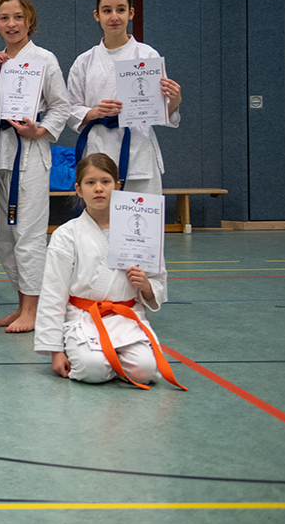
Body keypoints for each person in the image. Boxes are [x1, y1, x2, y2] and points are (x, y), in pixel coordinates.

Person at [33, 153, 186, 390]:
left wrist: (146, 286)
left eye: (105, 181)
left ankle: (113, 362)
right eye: (90, 182)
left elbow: (157, 281)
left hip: (126, 316)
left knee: (145, 371)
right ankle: (100, 361)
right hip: (83, 319)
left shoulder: (141, 230)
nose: (98, 188)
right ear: (78, 189)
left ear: (118, 186)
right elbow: (53, 292)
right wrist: (55, 350)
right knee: (91, 370)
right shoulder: (66, 234)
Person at [0, 0, 70, 333]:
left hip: (31, 154)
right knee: (5, 238)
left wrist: (41, 130)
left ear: (30, 20)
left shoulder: (44, 59)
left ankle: (34, 310)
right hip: (0, 154)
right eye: (4, 18)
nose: (12, 24)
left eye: (18, 17)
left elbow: (61, 105)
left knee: (29, 235)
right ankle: (23, 304)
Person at [67, 0, 182, 194]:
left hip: (137, 147)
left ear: (131, 13)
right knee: (101, 212)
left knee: (143, 212)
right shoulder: (84, 61)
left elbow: (159, 110)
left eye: (120, 10)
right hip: (98, 149)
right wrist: (95, 112)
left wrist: (174, 100)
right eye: (107, 10)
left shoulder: (147, 55)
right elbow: (71, 109)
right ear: (97, 15)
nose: (114, 17)